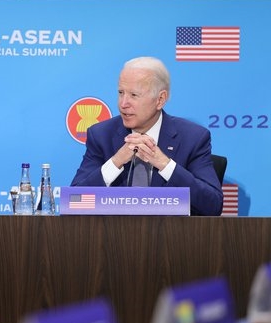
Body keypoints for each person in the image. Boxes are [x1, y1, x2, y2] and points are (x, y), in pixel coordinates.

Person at [71, 57, 223, 216]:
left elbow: (212, 205)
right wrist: (115, 162)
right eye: (121, 93)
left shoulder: (193, 138)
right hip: (113, 237)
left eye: (134, 95)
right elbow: (74, 201)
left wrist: (165, 164)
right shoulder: (101, 135)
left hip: (171, 237)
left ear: (160, 99)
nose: (123, 103)